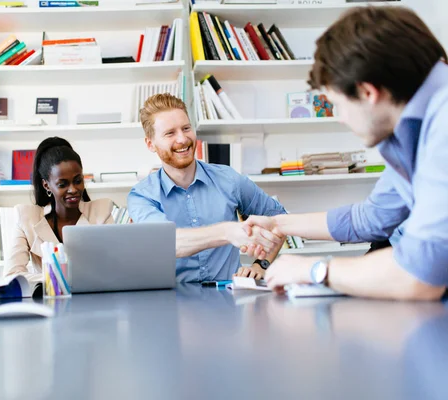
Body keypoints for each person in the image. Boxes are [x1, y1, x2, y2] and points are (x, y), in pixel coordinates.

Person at [245, 6, 448, 300]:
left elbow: (419, 275)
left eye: (337, 104)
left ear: (367, 92)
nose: (340, 117)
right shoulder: (412, 126)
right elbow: (372, 218)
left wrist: (316, 270)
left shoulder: (442, 125)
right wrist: (278, 224)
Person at [127, 93, 286, 283]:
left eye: (186, 128)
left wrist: (261, 265)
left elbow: (279, 219)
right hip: (172, 303)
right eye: (170, 133)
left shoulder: (229, 179)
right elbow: (165, 243)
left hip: (228, 300)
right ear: (150, 144)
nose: (182, 139)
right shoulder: (142, 196)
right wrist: (227, 232)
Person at [5, 137, 115, 280]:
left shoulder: (101, 212)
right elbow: (11, 276)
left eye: (78, 181)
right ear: (46, 185)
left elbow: (113, 268)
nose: (73, 190)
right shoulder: (27, 218)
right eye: (63, 184)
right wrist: (60, 278)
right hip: (46, 300)